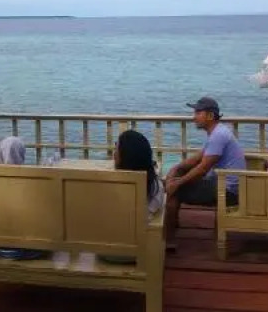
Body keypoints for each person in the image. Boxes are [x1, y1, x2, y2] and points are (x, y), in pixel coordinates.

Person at [164, 96, 246, 251]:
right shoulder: (217, 132)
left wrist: (177, 183)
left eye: (197, 113)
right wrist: (176, 168)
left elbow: (202, 169)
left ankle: (169, 239)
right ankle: (172, 226)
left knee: (175, 192)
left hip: (228, 191)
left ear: (210, 115)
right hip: (223, 184)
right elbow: (197, 158)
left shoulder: (218, 135)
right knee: (178, 177)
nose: (194, 117)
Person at [100, 130, 164, 264]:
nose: (114, 153)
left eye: (116, 147)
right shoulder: (154, 185)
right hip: (140, 251)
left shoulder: (112, 187)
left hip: (107, 252)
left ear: (125, 155)